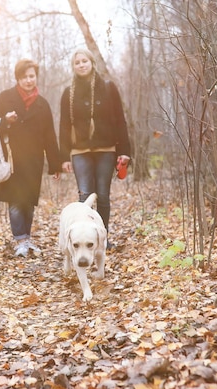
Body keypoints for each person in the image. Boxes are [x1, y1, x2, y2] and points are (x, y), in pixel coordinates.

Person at [0, 59, 62, 257]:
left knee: (28, 201)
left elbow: (49, 136)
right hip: (11, 158)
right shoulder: (5, 98)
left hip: (33, 160)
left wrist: (55, 164)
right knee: (15, 199)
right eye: (24, 77)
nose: (29, 80)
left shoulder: (42, 104)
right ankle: (20, 239)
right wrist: (5, 121)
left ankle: (26, 240)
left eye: (32, 76)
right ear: (18, 79)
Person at [59, 49, 131, 249]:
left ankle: (101, 239)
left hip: (106, 150)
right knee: (85, 196)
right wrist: (63, 157)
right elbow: (64, 126)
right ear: (73, 67)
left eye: (84, 61)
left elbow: (120, 121)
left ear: (92, 63)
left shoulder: (108, 88)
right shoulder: (68, 93)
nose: (81, 65)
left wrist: (124, 150)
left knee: (103, 195)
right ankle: (83, 237)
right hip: (80, 152)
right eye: (77, 62)